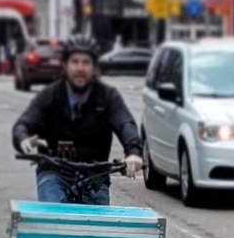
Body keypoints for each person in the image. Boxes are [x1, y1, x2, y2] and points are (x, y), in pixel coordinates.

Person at [12, 35, 143, 205]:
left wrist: (133, 152)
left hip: (95, 176)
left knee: (97, 228)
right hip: (55, 173)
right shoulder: (49, 95)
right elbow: (24, 122)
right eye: (75, 62)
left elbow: (125, 123)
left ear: (95, 67)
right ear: (65, 65)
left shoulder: (108, 97)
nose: (80, 68)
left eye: (86, 62)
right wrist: (22, 138)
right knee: (54, 217)